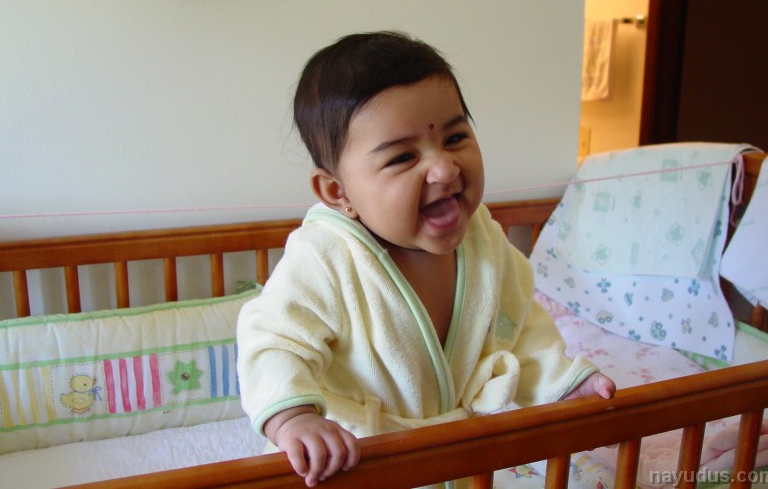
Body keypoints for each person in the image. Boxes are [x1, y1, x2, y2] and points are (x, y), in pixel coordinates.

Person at [237, 31, 616, 487]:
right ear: (338, 192)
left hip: (451, 454)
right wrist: (295, 418)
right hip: (352, 459)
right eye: (403, 157)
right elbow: (274, 339)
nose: (444, 168)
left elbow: (517, 328)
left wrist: (564, 383)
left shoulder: (483, 240)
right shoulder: (326, 256)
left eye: (455, 137)